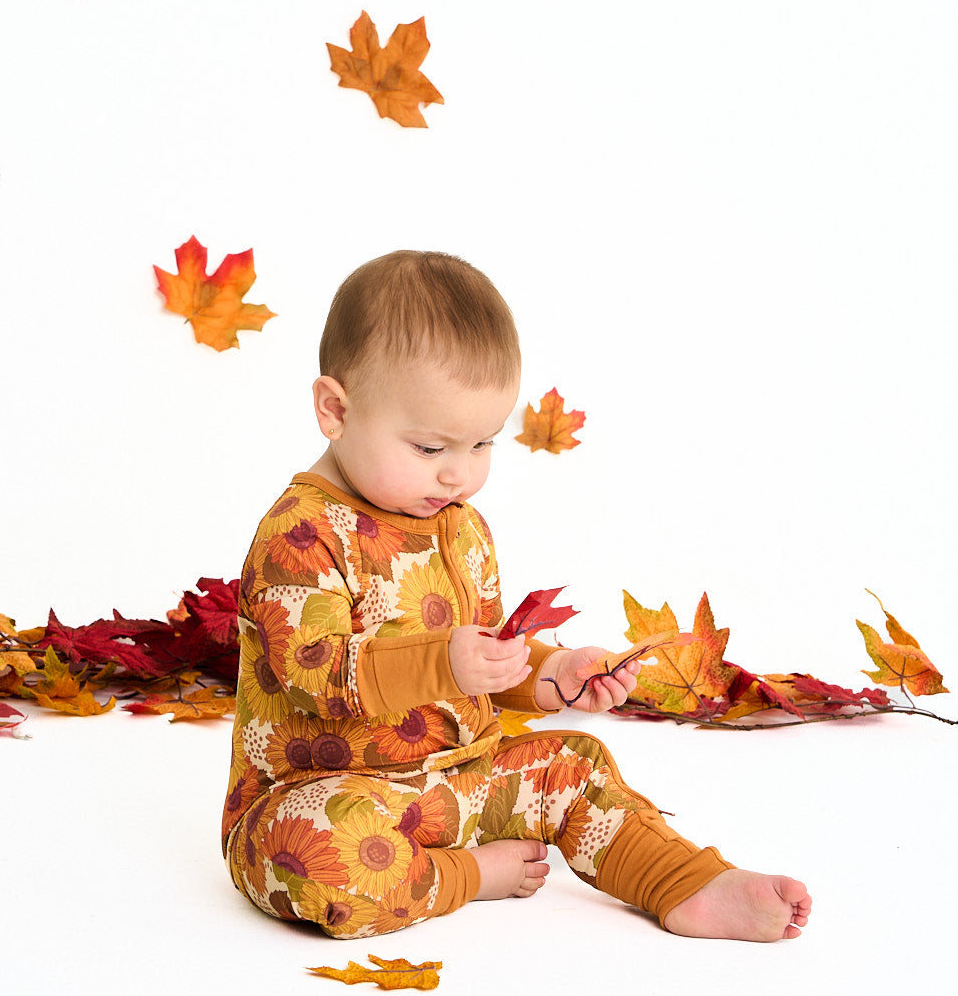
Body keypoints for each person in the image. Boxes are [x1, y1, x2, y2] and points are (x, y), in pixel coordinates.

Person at [221, 249, 811, 942]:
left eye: (482, 444)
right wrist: (445, 662)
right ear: (335, 410)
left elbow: (486, 665)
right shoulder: (301, 532)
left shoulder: (463, 530)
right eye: (430, 447)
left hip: (457, 787)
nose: (459, 475)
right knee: (324, 854)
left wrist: (551, 676)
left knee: (573, 766)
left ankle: (682, 883)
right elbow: (311, 672)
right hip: (328, 796)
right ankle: (462, 876)